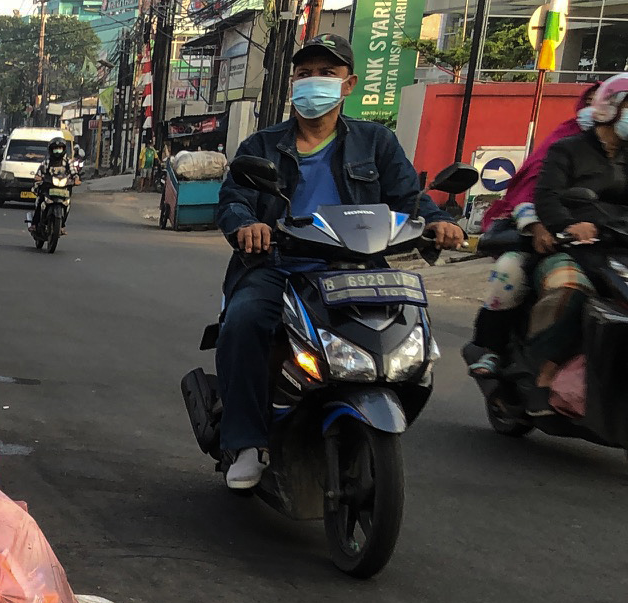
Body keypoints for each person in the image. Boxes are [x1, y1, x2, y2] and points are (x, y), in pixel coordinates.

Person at [213, 33, 463, 489]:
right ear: (292, 84)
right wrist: (248, 225)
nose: (314, 83)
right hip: (280, 265)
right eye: (305, 74)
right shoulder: (261, 146)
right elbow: (233, 201)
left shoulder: (376, 142)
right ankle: (247, 441)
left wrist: (438, 222)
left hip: (359, 267)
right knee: (244, 321)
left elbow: (409, 197)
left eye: (326, 74)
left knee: (411, 326)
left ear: (348, 86)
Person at [468, 82, 599, 377]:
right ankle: (493, 349)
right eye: (592, 101)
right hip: (547, 234)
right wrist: (539, 226)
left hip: (604, 245)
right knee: (511, 270)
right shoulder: (564, 144)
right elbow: (532, 192)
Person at [523, 71, 628, 400]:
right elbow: (547, 198)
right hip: (572, 248)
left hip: (617, 248)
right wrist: (568, 226)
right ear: (609, 108)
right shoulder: (567, 149)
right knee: (573, 291)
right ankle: (548, 365)